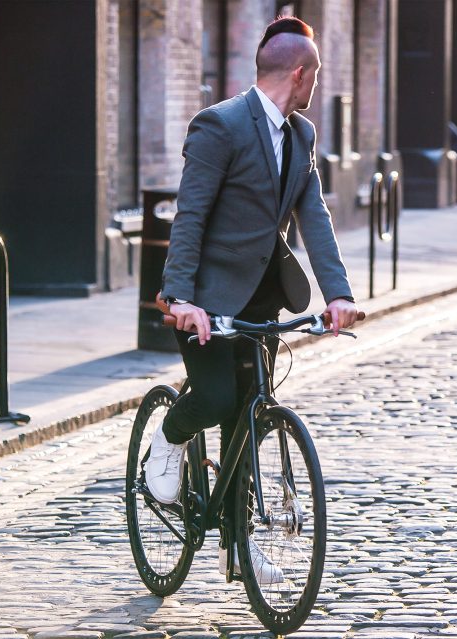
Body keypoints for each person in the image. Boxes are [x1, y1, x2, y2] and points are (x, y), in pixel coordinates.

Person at [148, 17, 359, 583]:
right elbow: (190, 215)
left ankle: (236, 545)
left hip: (262, 302)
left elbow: (314, 217)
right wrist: (179, 296)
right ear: (300, 73)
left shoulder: (301, 135)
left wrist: (338, 293)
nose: (317, 83)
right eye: (317, 73)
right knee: (217, 399)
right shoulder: (220, 125)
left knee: (249, 420)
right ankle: (167, 440)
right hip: (206, 300)